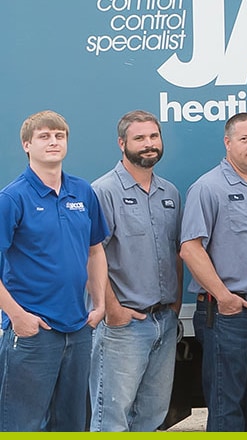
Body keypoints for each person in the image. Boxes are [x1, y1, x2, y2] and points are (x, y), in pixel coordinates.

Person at [179, 112, 247, 432]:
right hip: (228, 315)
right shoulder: (208, 187)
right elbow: (190, 248)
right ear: (228, 143)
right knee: (226, 408)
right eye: (244, 139)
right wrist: (224, 296)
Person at [0, 110, 108, 432]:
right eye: (44, 136)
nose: (53, 142)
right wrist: (18, 317)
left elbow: (95, 249)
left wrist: (99, 304)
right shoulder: (12, 198)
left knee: (71, 426)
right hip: (34, 333)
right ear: (26, 145)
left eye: (59, 136)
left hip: (77, 329)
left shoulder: (82, 192)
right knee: (23, 426)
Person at [89, 110, 184, 432]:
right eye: (139, 138)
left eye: (153, 137)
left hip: (164, 322)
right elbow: (92, 254)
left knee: (151, 419)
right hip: (124, 328)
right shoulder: (103, 192)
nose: (148, 144)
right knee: (111, 420)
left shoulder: (169, 193)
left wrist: (175, 305)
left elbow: (178, 252)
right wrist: (113, 310)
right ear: (122, 143)